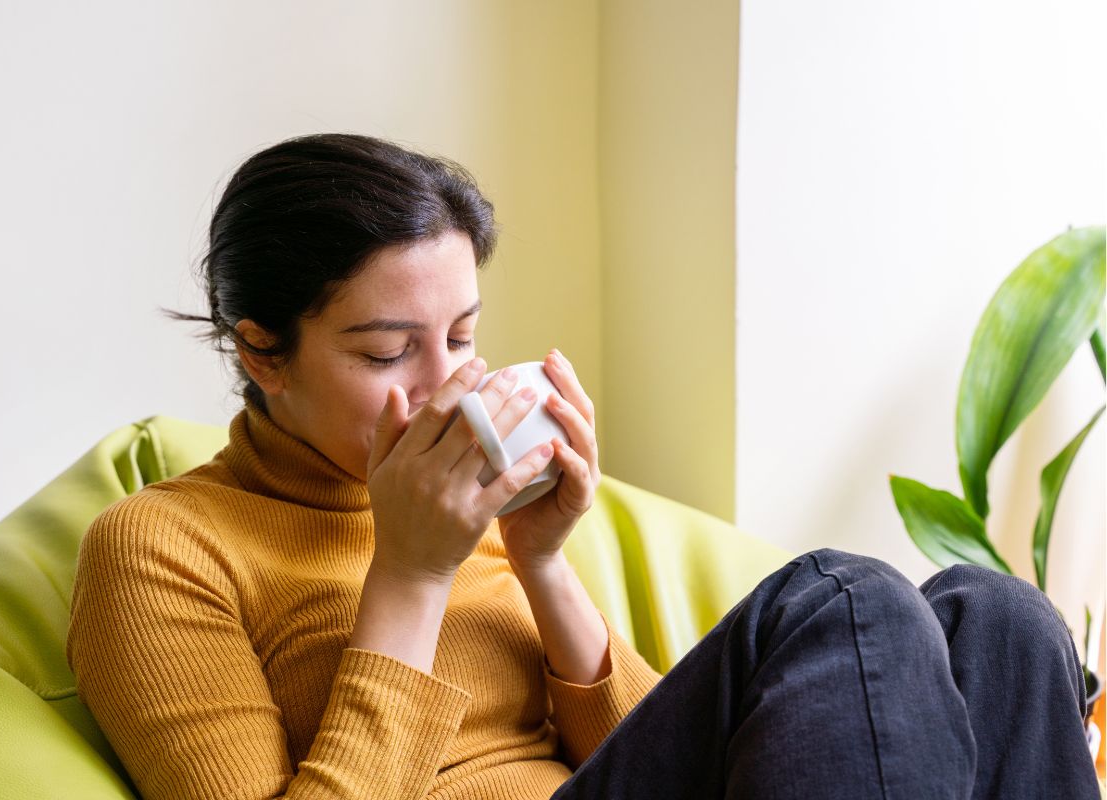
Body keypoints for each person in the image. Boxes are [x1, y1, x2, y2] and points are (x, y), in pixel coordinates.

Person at [65, 133, 1100, 800]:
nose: (442, 386)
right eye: (386, 352)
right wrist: (412, 575)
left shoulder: (470, 507)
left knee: (997, 614)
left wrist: (544, 561)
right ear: (260, 351)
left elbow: (678, 756)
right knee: (846, 594)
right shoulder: (160, 546)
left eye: (462, 337)